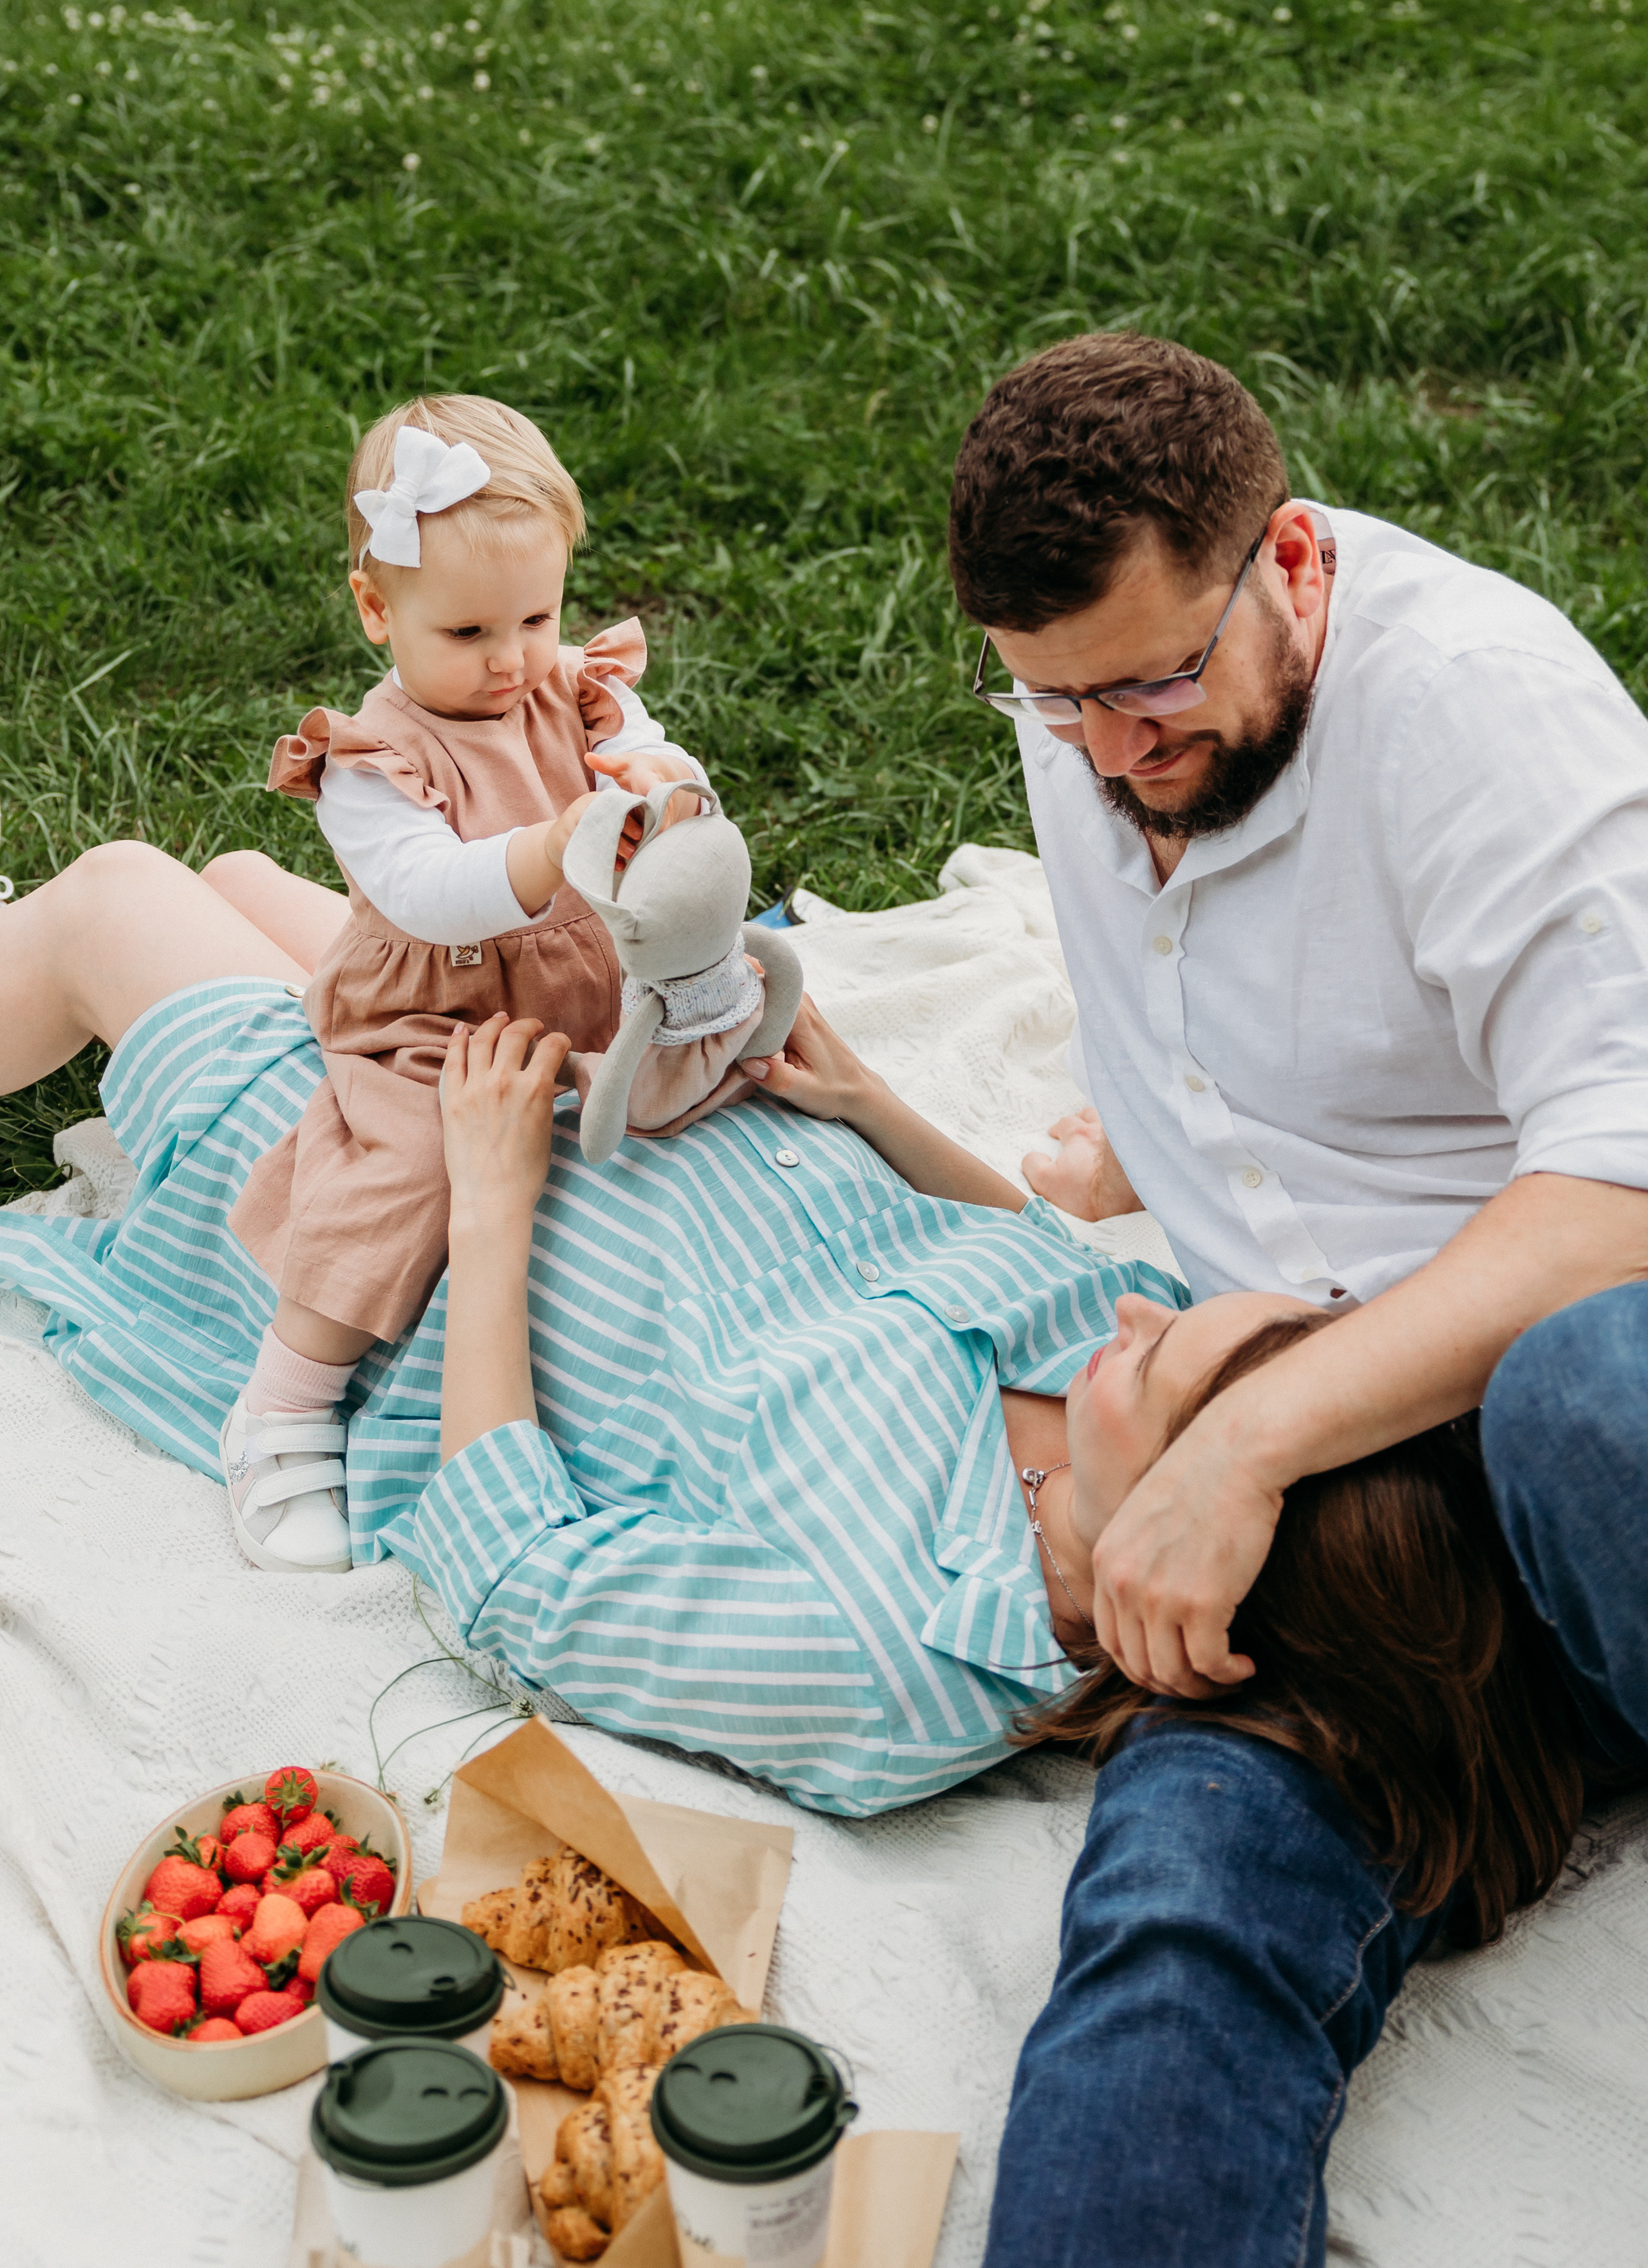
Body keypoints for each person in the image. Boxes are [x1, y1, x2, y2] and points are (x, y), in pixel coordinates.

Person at [949, 330, 1648, 2261]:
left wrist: (1242, 1441)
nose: (1112, 752)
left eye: (1154, 683)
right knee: (1176, 1913)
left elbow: (1622, 1199)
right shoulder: (1102, 701)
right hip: (1369, 1544)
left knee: (1587, 1385)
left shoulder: (1477, 714)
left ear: (1289, 558)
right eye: (1051, 700)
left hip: (1581, 1440)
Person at [0, 837, 1195, 1812]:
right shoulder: (1180, 1372)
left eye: (1179, 1389)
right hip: (616, 1090)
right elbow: (1048, 1260)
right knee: (248, 884)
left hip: (408, 1214)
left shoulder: (885, 1664)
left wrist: (489, 1201)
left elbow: (512, 1561)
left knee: (109, 901)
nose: (1150, 1315)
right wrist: (871, 1106)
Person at [214, 393, 715, 1579]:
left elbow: (653, 752)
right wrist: (549, 849)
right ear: (376, 610)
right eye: (470, 631)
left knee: (727, 1021)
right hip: (432, 1013)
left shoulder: (571, 688)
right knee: (402, 1167)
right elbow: (431, 893)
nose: (512, 659)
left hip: (584, 986)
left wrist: (664, 785)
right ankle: (287, 1401)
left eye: (538, 617)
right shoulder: (370, 761)